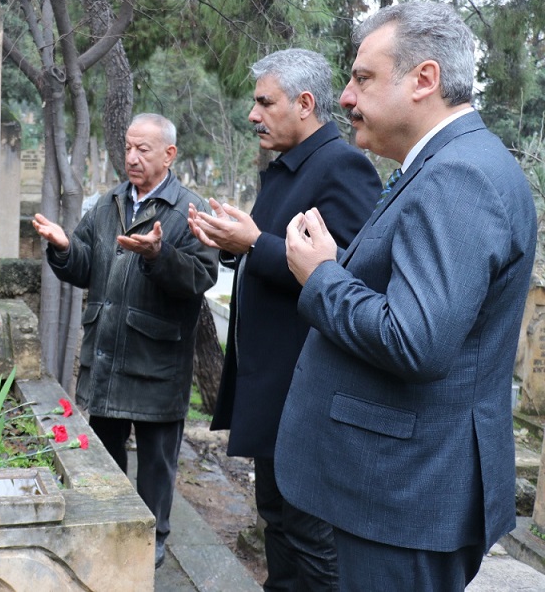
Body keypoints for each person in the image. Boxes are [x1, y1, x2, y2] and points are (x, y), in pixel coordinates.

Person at [276, 1, 537, 590]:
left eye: (363, 77)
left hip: (405, 496)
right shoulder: (448, 165)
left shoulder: (459, 176)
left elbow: (414, 340)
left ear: (425, 80)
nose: (345, 96)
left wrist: (321, 275)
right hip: (400, 490)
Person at [188, 49, 381, 590]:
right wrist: (234, 242)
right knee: (278, 522)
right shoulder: (289, 164)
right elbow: (275, 247)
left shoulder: (341, 166)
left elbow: (348, 272)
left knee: (312, 539)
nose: (253, 115)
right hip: (274, 387)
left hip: (309, 392)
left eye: (264, 102)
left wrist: (255, 243)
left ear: (304, 103)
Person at [32, 113, 218, 569]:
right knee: (105, 457)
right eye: (128, 148)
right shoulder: (108, 203)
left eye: (143, 150)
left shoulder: (190, 210)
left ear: (169, 155)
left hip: (156, 363)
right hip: (107, 358)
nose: (131, 158)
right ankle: (106, 531)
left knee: (156, 466)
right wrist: (62, 247)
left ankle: (149, 548)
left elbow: (201, 275)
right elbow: (83, 267)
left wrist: (160, 255)